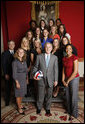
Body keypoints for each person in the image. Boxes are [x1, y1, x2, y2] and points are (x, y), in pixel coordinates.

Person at [32, 42, 58, 115]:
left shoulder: (54, 57)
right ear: (44, 48)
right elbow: (35, 67)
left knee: (49, 94)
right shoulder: (39, 56)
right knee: (40, 94)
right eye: (46, 47)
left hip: (51, 79)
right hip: (41, 79)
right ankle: (39, 107)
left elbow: (56, 69)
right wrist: (34, 74)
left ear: (52, 48)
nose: (48, 48)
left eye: (49, 47)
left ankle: (48, 108)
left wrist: (56, 80)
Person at [62, 44, 80, 120]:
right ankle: (69, 110)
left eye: (69, 48)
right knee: (67, 96)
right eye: (66, 48)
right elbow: (63, 70)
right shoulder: (64, 58)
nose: (68, 50)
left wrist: (68, 80)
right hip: (66, 78)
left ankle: (74, 114)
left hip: (74, 78)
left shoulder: (74, 58)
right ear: (65, 50)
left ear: (72, 50)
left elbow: (75, 71)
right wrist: (63, 80)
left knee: (73, 97)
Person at [12, 48, 28, 114]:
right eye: (19, 52)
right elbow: (14, 73)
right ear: (17, 53)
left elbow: (26, 71)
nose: (21, 53)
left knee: (21, 93)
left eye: (22, 52)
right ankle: (19, 108)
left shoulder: (24, 61)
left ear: (24, 53)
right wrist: (17, 82)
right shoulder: (14, 62)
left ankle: (20, 105)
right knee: (18, 94)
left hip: (23, 79)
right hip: (18, 79)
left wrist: (27, 78)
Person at [1, 40, 15, 106]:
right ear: (8, 45)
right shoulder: (4, 53)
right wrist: (5, 73)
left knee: (15, 87)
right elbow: (3, 64)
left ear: (14, 45)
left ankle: (15, 100)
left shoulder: (17, 52)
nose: (11, 45)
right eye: (10, 44)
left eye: (13, 44)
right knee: (8, 87)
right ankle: (7, 101)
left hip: (15, 73)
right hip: (8, 73)